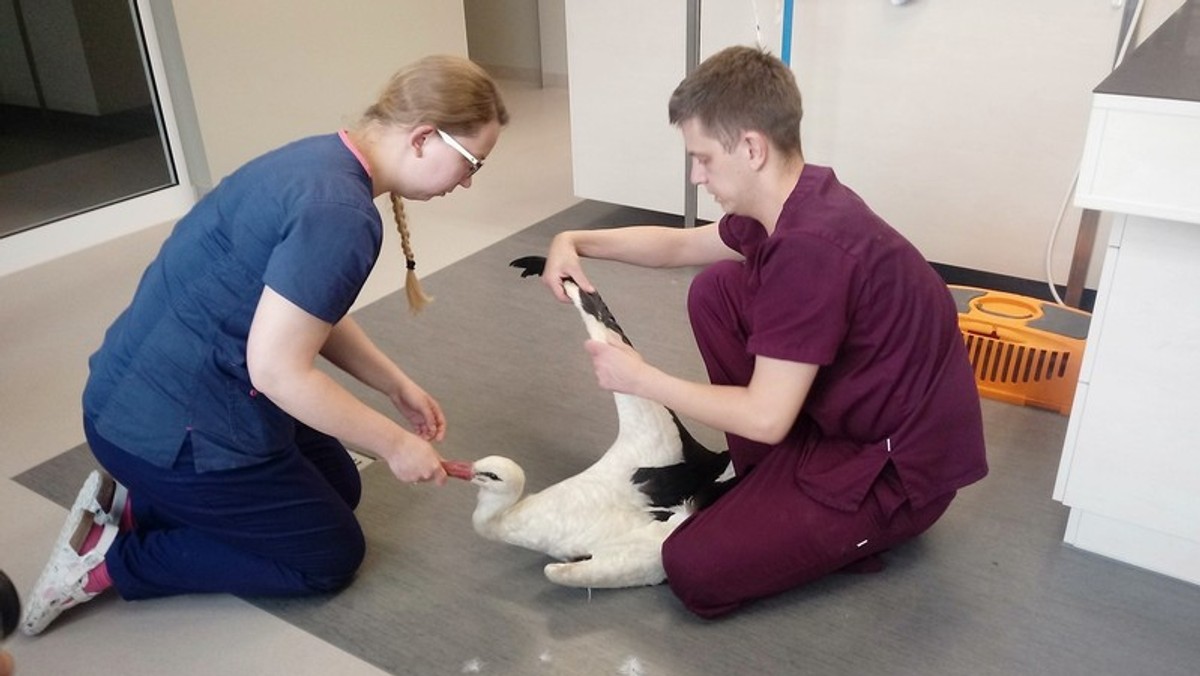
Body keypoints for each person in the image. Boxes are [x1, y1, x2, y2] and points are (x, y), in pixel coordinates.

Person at [22, 54, 509, 635]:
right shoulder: (343, 214)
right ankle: (113, 561)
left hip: (132, 397)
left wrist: (394, 384)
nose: (470, 180)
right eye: (472, 162)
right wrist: (397, 445)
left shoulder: (320, 158)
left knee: (341, 487)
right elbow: (278, 370)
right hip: (168, 430)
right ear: (425, 138)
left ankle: (143, 506)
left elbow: (302, 310)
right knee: (327, 556)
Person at [541, 46, 987, 619]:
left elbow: (765, 417)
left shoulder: (811, 249)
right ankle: (775, 483)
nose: (696, 175)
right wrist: (574, 240)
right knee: (717, 289)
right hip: (840, 424)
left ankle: (842, 520)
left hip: (895, 473)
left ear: (751, 148)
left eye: (702, 158)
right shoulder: (792, 202)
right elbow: (680, 246)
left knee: (693, 568)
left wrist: (643, 379)